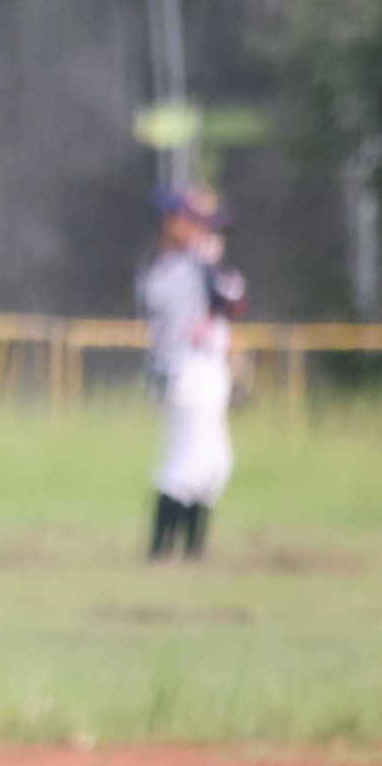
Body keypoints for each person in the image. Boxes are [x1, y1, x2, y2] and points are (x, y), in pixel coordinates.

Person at [140, 184, 240, 560]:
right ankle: (163, 550)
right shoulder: (175, 270)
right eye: (194, 222)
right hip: (186, 369)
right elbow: (232, 299)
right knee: (186, 463)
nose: (205, 231)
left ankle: (192, 548)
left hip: (202, 368)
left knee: (214, 464)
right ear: (171, 223)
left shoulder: (185, 265)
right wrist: (210, 259)